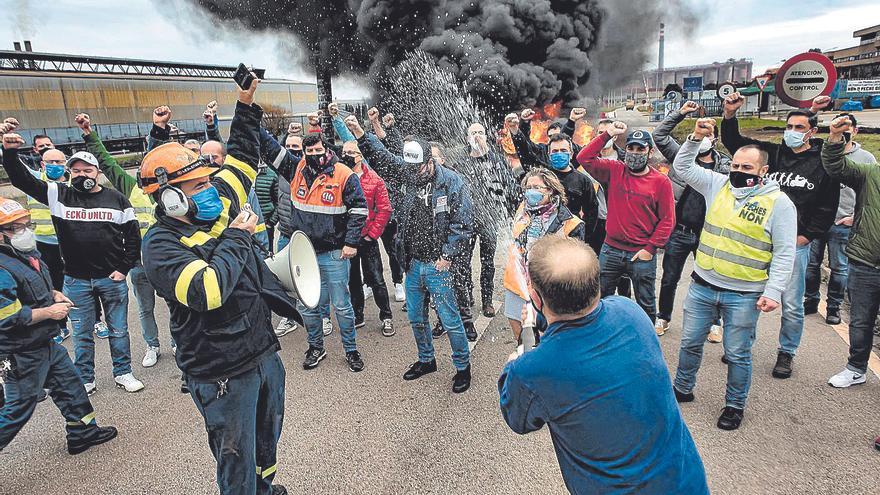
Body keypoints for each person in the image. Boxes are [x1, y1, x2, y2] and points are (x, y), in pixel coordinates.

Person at [139, 77, 294, 495]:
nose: (212, 189)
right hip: (221, 371)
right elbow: (208, 291)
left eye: (209, 181)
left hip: (260, 351)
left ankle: (266, 489)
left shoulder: (217, 199)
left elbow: (242, 158)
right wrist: (239, 237)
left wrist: (245, 103)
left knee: (267, 443)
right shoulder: (160, 246)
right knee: (235, 457)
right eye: (199, 186)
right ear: (171, 199)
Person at [499, 235, 708, 494]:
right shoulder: (630, 311)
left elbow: (517, 418)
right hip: (684, 482)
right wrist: (543, 321)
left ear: (535, 298)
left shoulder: (532, 370)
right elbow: (581, 325)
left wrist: (521, 349)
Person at [671, 119, 797, 431]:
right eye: (736, 165)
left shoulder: (779, 204)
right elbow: (683, 166)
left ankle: (734, 405)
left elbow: (784, 252)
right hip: (703, 284)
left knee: (738, 353)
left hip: (744, 293)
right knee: (689, 343)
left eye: (747, 167)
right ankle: (682, 388)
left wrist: (774, 291)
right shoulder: (718, 185)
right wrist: (695, 138)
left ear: (763, 171)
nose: (739, 172)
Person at [3, 134, 144, 395]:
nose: (81, 175)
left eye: (87, 170)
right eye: (75, 170)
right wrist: (10, 153)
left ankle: (123, 372)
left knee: (119, 330)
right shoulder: (59, 194)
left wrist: (123, 269)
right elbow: (22, 180)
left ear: (97, 172)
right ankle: (86, 378)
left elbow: (133, 238)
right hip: (76, 280)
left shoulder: (117, 199)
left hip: (110, 279)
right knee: (81, 334)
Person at [347, 113, 474, 393]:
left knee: (451, 320)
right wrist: (360, 134)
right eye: (410, 167)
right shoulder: (406, 170)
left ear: (431, 160)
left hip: (439, 265)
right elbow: (381, 157)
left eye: (419, 168)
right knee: (416, 317)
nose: (414, 172)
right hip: (413, 264)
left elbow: (463, 224)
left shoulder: (453, 183)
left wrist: (447, 256)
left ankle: (463, 367)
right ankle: (426, 360)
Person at [721, 93, 840, 379]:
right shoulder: (773, 155)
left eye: (799, 128)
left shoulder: (822, 163)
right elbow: (735, 143)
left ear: (812, 131)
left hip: (795, 245)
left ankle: (786, 352)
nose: (793, 133)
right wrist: (729, 115)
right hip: (760, 241)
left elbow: (827, 207)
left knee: (790, 302)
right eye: (789, 127)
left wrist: (806, 237)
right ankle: (742, 345)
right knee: (751, 296)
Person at [0, 197, 118, 455]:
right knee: (17, 409)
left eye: (26, 225)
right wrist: (50, 312)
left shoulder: (24, 253)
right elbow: (6, 319)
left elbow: (31, 285)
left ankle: (82, 432)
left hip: (44, 343)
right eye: (15, 228)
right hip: (22, 352)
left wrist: (52, 294)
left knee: (71, 385)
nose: (25, 232)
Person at [74, 113, 171, 371]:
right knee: (145, 309)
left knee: (176, 305)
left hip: (166, 261)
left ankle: (177, 342)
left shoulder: (171, 191)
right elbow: (106, 163)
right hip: (140, 265)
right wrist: (89, 134)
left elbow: (158, 154)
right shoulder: (131, 187)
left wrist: (160, 128)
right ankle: (152, 345)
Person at [285, 132, 367, 372]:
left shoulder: (343, 174)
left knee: (341, 305)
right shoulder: (296, 169)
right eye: (308, 152)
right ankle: (315, 347)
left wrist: (351, 243)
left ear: (326, 149)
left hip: (334, 253)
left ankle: (351, 350)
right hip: (304, 253)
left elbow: (359, 210)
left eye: (317, 150)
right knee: (306, 306)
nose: (313, 155)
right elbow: (270, 149)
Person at [577, 123, 675, 322]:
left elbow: (667, 220)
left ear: (650, 151)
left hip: (641, 253)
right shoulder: (614, 170)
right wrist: (608, 134)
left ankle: (643, 341)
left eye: (641, 149)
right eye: (631, 148)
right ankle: (601, 335)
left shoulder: (660, 182)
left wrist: (650, 248)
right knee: (599, 298)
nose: (635, 153)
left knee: (645, 302)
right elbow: (583, 158)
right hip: (610, 249)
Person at [652, 100, 731, 339]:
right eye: (701, 132)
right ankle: (663, 317)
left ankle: (714, 322)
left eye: (709, 133)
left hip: (709, 232)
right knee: (669, 278)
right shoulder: (681, 156)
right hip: (680, 230)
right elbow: (659, 135)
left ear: (715, 139)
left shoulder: (725, 165)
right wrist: (681, 113)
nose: (705, 137)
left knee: (711, 279)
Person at [819, 116, 880, 392]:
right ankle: (856, 368)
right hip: (866, 261)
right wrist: (834, 138)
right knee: (860, 320)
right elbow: (836, 167)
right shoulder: (871, 172)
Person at [805, 113, 876, 325]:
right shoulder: (823, 154)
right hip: (818, 220)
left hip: (843, 223)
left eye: (847, 130)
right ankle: (811, 300)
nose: (843, 134)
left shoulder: (866, 159)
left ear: (855, 131)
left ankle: (833, 307)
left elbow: (870, 193)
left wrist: (854, 217)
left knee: (839, 268)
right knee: (811, 265)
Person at [503, 168, 584, 344]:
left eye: (538, 187)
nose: (531, 191)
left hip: (548, 292)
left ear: (551, 189)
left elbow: (575, 268)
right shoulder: (522, 210)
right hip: (517, 286)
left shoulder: (571, 224)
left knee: (549, 341)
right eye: (528, 187)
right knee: (522, 341)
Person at [339, 140, 395, 337]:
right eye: (344, 152)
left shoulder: (374, 179)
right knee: (353, 279)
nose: (346, 155)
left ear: (360, 156)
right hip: (348, 239)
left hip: (367, 238)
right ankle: (358, 314)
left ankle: (386, 316)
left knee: (376, 279)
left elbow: (384, 209)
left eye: (351, 152)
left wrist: (372, 235)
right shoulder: (339, 177)